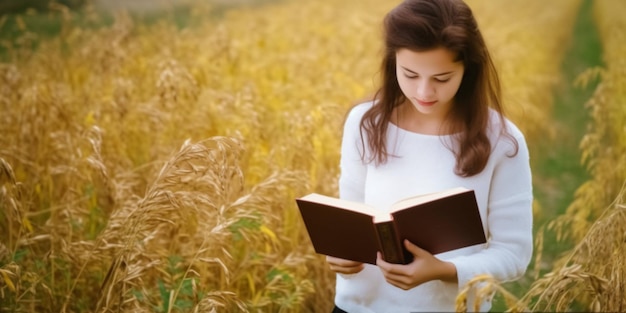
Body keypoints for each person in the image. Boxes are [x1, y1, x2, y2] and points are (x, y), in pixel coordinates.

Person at [327, 0, 533, 312]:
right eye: (409, 74)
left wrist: (443, 271)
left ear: (468, 68)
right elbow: (351, 218)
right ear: (392, 60)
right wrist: (342, 250)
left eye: (442, 78)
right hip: (359, 306)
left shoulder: (501, 141)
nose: (424, 92)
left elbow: (513, 254)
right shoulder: (364, 123)